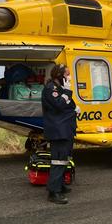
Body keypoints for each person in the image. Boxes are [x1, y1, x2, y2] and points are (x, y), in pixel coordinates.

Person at [41, 64, 78, 204]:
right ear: (59, 75)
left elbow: (66, 105)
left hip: (65, 129)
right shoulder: (51, 89)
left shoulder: (60, 89)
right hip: (58, 131)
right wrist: (67, 93)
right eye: (67, 75)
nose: (69, 78)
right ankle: (53, 192)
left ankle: (59, 185)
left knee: (64, 159)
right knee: (58, 160)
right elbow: (59, 105)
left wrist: (74, 109)